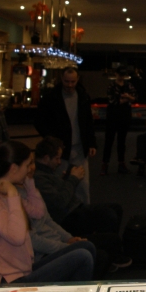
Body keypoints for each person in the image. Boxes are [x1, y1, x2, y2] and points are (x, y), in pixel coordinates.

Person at [0, 140, 94, 284]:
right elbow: (17, 237)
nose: (30, 169)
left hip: (24, 270)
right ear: (14, 168)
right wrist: (13, 195)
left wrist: (26, 185)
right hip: (9, 280)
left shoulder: (8, 195)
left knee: (85, 247)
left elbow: (39, 213)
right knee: (82, 257)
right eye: (27, 165)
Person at [17, 160, 131, 278]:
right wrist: (65, 246)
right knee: (97, 253)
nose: (32, 168)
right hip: (44, 252)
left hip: (59, 236)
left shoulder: (31, 188)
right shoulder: (16, 197)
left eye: (32, 163)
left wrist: (69, 238)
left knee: (107, 238)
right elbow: (33, 240)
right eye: (27, 165)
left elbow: (48, 220)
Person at [33, 136, 123, 237]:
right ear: (46, 158)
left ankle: (110, 241)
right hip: (67, 216)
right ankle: (103, 242)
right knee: (109, 215)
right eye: (57, 158)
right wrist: (73, 179)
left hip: (73, 209)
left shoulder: (46, 172)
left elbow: (57, 194)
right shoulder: (39, 177)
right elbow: (60, 202)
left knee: (116, 208)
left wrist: (64, 180)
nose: (59, 162)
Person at [35, 67, 96, 204]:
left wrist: (92, 142)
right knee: (59, 184)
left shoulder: (83, 96)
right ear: (61, 79)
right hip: (60, 151)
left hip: (79, 148)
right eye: (67, 81)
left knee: (83, 186)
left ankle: (84, 212)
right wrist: (52, 139)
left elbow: (88, 121)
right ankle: (64, 212)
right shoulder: (51, 97)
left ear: (77, 80)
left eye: (72, 82)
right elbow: (39, 121)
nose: (69, 85)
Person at [102, 71, 137, 175]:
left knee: (122, 142)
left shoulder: (129, 85)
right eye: (120, 74)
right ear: (116, 74)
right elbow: (113, 100)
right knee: (109, 141)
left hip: (124, 117)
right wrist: (128, 98)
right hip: (112, 117)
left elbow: (135, 98)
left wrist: (125, 98)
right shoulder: (111, 86)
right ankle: (104, 164)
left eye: (123, 74)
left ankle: (121, 164)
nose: (121, 76)